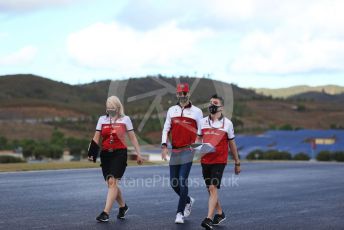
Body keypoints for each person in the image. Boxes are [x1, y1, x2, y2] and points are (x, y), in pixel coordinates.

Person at [88, 96, 143, 223]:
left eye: (112, 107)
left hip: (120, 154)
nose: (110, 109)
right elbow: (96, 138)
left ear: (118, 107)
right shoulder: (102, 119)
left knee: (113, 182)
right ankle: (123, 207)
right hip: (106, 154)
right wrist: (91, 153)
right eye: (108, 107)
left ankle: (105, 213)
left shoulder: (126, 119)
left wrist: (138, 154)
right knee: (110, 183)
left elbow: (133, 138)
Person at [196, 94, 241, 230]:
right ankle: (220, 213)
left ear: (221, 107)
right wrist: (197, 147)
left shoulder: (227, 124)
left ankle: (208, 219)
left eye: (215, 103)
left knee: (212, 188)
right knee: (211, 190)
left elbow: (232, 144)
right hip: (205, 160)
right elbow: (198, 139)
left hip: (219, 161)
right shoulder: (202, 122)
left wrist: (237, 162)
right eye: (210, 103)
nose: (212, 105)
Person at [161, 83, 203, 224]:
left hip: (188, 150)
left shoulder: (197, 112)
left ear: (188, 94)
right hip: (175, 150)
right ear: (177, 94)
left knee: (182, 180)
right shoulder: (171, 110)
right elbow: (166, 129)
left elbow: (201, 132)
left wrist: (196, 148)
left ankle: (180, 213)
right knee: (174, 183)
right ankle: (188, 200)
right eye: (180, 93)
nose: (182, 96)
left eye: (184, 93)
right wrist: (164, 146)